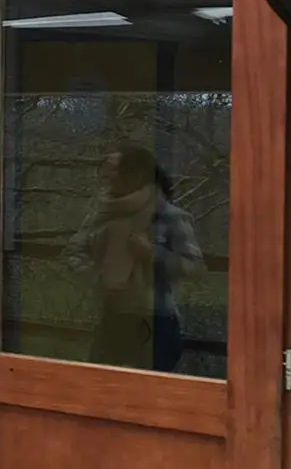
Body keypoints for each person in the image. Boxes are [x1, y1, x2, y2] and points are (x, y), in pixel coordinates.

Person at [64, 143, 205, 372]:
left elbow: (195, 267)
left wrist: (153, 254)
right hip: (112, 319)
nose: (106, 177)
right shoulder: (104, 213)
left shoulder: (170, 217)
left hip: (156, 321)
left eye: (113, 171)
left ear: (135, 176)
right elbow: (73, 252)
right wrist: (96, 277)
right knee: (101, 385)